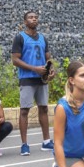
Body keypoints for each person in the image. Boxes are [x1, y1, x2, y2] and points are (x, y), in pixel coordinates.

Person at [11, 10, 56, 156]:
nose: (34, 19)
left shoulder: (43, 38)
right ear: (25, 22)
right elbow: (15, 60)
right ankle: (24, 144)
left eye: (36, 17)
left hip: (41, 79)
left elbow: (48, 58)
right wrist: (34, 68)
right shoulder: (20, 37)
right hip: (27, 78)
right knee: (24, 111)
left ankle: (46, 141)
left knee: (43, 109)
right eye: (30, 17)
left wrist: (51, 70)